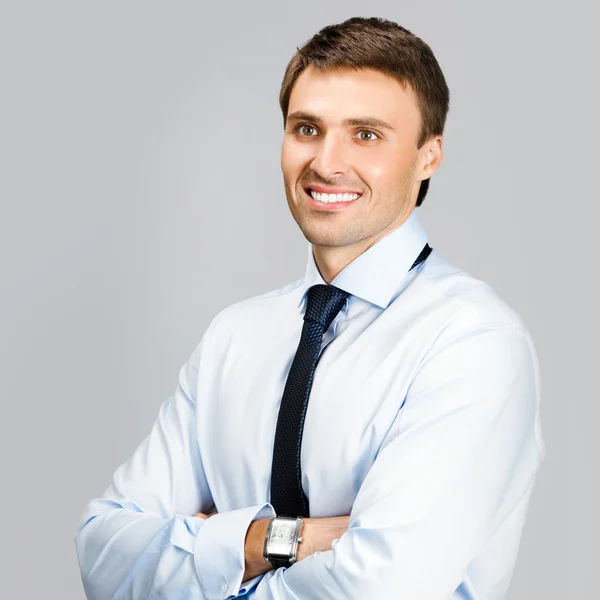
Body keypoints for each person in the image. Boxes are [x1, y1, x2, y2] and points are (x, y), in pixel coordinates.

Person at [74, 16, 545, 600]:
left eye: (366, 134)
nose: (326, 162)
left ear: (428, 157)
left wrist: (209, 550)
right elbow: (104, 552)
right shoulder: (235, 337)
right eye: (306, 128)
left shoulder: (471, 341)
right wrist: (282, 540)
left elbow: (380, 587)